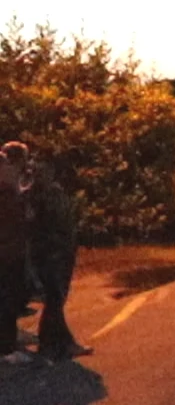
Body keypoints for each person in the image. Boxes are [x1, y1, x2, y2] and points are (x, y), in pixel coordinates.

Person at [20, 148, 89, 359]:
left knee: (55, 300)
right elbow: (35, 227)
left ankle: (56, 343)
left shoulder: (51, 192)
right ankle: (56, 344)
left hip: (60, 252)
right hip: (50, 255)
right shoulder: (34, 196)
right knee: (55, 299)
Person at [0, 142, 30, 365]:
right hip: (9, 252)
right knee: (8, 299)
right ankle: (7, 349)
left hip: (10, 250)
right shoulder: (7, 192)